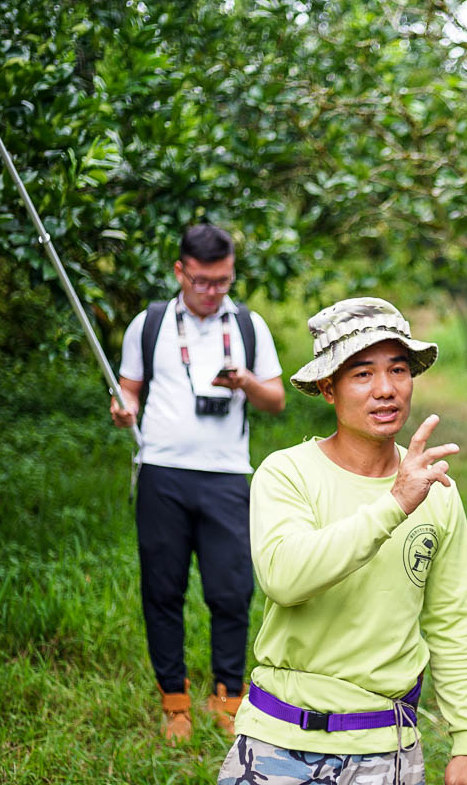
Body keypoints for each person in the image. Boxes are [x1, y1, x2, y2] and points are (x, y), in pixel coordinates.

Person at [218, 298, 467, 785]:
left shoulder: (437, 493)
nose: (386, 389)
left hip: (387, 749)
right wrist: (394, 504)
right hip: (279, 740)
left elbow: (455, 620)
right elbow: (285, 577)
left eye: (398, 369)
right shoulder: (287, 473)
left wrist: (465, 743)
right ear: (328, 388)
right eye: (362, 374)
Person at [110, 222, 285, 742]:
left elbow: (275, 399)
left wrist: (246, 381)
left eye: (224, 281)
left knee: (231, 591)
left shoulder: (249, 325)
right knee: (162, 590)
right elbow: (130, 387)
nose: (213, 292)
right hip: (162, 471)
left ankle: (227, 697)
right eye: (203, 281)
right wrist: (124, 409)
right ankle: (175, 701)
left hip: (228, 475)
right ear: (180, 272)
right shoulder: (151, 323)